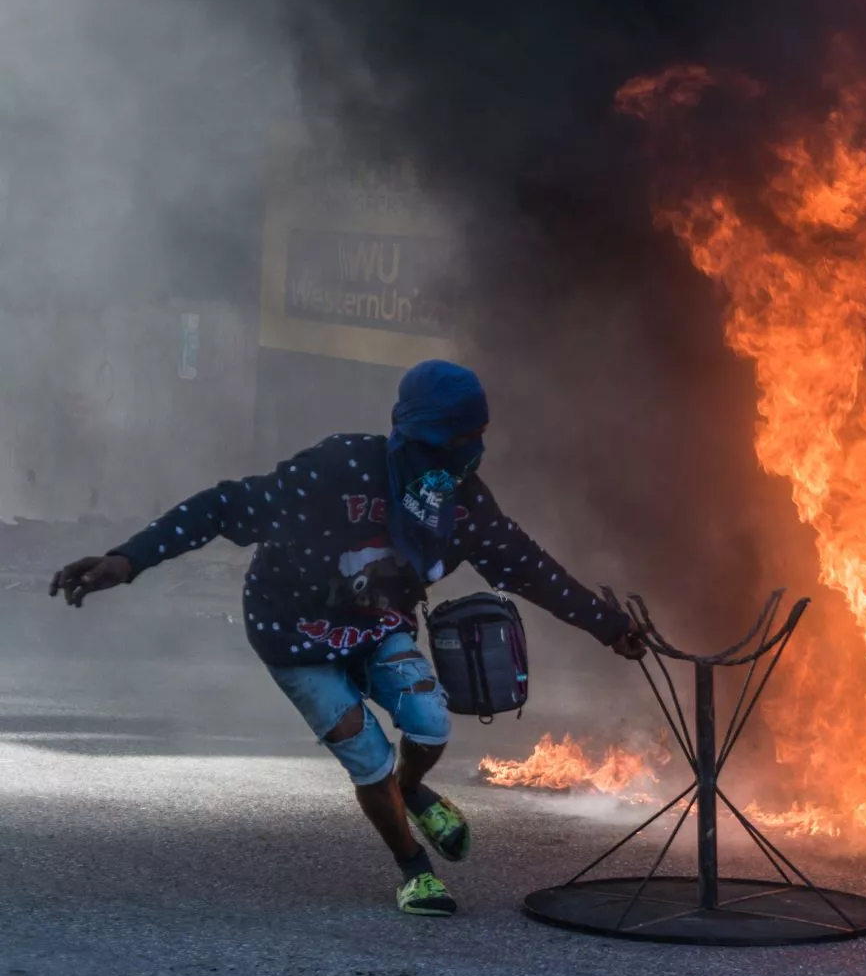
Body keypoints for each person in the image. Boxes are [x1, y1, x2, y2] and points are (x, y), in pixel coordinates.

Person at [49, 360, 644, 917]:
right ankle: (413, 867)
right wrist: (128, 560)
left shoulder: (463, 507)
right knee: (365, 753)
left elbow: (528, 568)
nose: (461, 459)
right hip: (293, 631)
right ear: (408, 434)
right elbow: (223, 506)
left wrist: (610, 627)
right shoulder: (337, 472)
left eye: (472, 443)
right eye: (447, 443)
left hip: (376, 627)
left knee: (430, 722)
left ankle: (411, 790)